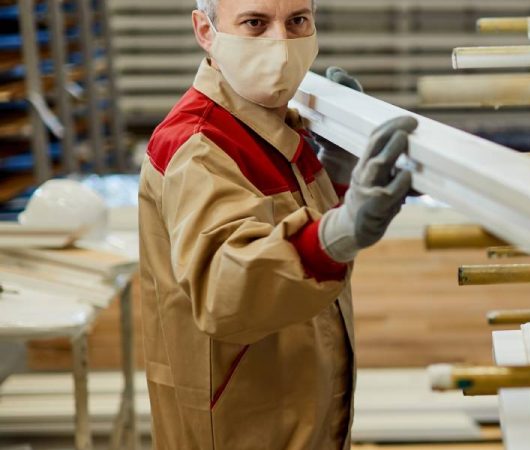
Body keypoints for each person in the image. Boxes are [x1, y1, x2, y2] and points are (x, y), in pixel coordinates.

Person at [137, 0, 414, 447]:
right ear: (205, 31)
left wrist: (336, 177)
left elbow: (292, 242)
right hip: (242, 421)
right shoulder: (199, 146)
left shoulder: (274, 125)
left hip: (298, 396)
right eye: (255, 23)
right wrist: (341, 231)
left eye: (297, 21)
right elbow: (226, 287)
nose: (281, 45)